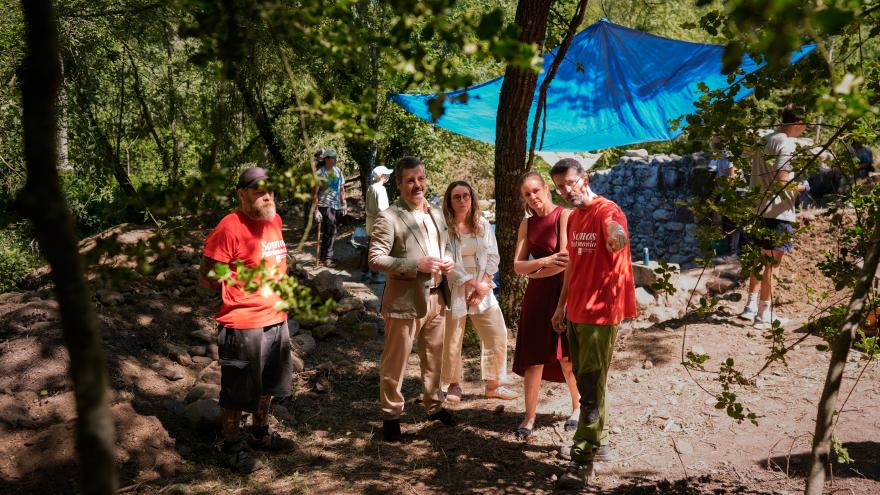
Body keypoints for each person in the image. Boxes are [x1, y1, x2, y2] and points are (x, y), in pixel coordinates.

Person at [198, 166, 295, 473]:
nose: (267, 196)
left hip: (276, 317)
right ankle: (230, 446)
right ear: (242, 194)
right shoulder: (229, 227)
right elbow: (207, 276)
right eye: (258, 191)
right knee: (236, 391)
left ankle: (260, 433)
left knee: (268, 384)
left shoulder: (274, 220)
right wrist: (239, 285)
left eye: (270, 191)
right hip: (242, 324)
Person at [549, 158, 637, 486]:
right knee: (590, 381)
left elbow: (616, 232)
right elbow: (572, 264)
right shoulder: (574, 218)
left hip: (600, 313)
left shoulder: (607, 211)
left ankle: (582, 459)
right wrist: (561, 305)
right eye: (560, 187)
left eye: (570, 183)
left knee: (589, 385)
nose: (566, 191)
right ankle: (601, 442)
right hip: (576, 311)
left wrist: (617, 238)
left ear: (585, 179)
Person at [368, 156, 461, 442]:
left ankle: (434, 406)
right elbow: (375, 259)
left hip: (437, 297)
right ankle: (391, 418)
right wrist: (414, 265)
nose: (417, 185)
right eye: (410, 180)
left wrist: (447, 260)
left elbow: (445, 246)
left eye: (420, 178)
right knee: (395, 362)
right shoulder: (389, 217)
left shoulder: (435, 212)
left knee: (434, 357)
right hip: (404, 302)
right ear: (398, 184)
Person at [511, 172, 580, 439]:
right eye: (527, 194)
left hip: (561, 292)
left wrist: (537, 270)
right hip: (536, 296)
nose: (533, 197)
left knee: (566, 358)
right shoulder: (526, 224)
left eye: (536, 191)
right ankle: (529, 417)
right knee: (533, 358)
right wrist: (544, 263)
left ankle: (577, 406)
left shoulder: (564, 216)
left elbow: (565, 262)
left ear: (546, 189)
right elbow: (518, 266)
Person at [440, 181, 517, 403]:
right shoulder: (444, 227)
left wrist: (482, 286)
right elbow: (446, 261)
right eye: (457, 197)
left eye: (466, 195)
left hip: (483, 286)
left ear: (472, 198)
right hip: (455, 288)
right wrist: (473, 284)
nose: (462, 200)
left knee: (497, 332)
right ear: (449, 201)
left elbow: (493, 256)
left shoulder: (482, 224)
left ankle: (494, 385)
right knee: (452, 339)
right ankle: (453, 385)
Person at [739, 104, 808, 328]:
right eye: (805, 124)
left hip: (759, 208)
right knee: (773, 264)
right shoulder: (786, 143)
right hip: (778, 211)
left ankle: (750, 306)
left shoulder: (764, 140)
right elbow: (781, 180)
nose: (806, 128)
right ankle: (764, 315)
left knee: (760, 259)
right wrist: (803, 187)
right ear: (798, 122)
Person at [311, 148, 347, 266]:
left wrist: (344, 203)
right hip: (325, 205)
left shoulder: (338, 171)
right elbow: (314, 193)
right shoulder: (320, 173)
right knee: (332, 231)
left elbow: (342, 188)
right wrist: (316, 210)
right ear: (326, 159)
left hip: (336, 205)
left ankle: (324, 256)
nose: (335, 159)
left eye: (335, 157)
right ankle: (328, 258)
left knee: (329, 231)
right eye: (333, 158)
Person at [362, 165, 393, 283]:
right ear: (381, 176)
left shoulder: (371, 187)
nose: (387, 176)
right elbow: (382, 209)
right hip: (378, 222)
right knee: (377, 247)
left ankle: (366, 273)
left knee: (370, 245)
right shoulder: (381, 189)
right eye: (386, 174)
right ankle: (376, 275)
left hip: (370, 222)